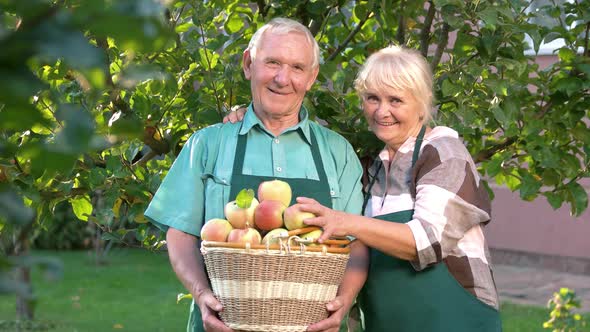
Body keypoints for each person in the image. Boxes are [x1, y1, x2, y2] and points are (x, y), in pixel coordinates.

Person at [226, 45, 502, 331]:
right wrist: (253, 115)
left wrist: (345, 222)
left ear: (421, 103)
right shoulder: (371, 167)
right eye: (372, 98)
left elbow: (427, 241)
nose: (382, 111)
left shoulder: (444, 154)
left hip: (453, 322)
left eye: (396, 100)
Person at [144, 17, 366, 332]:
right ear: (248, 64)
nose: (282, 78)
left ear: (312, 77)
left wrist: (344, 300)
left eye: (297, 68)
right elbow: (181, 233)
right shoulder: (208, 144)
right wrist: (201, 293)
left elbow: (356, 243)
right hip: (224, 324)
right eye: (272, 62)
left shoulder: (338, 152)